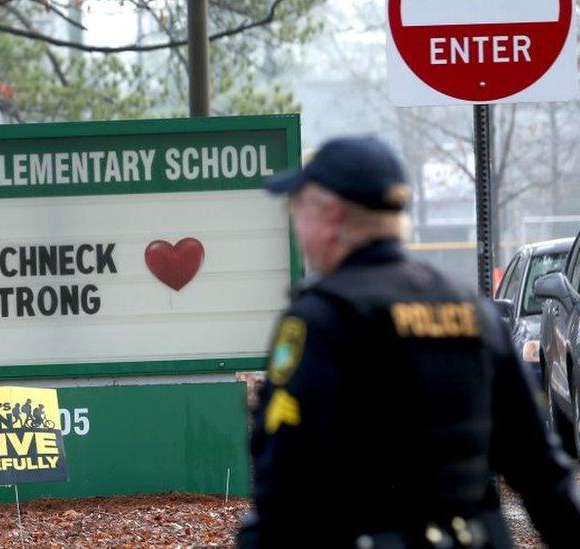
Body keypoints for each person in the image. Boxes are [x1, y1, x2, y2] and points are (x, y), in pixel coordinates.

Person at [238, 136, 580, 548]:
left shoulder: (323, 320)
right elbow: (541, 475)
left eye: (298, 210)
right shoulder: (473, 312)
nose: (297, 227)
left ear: (330, 215)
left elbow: (284, 485)